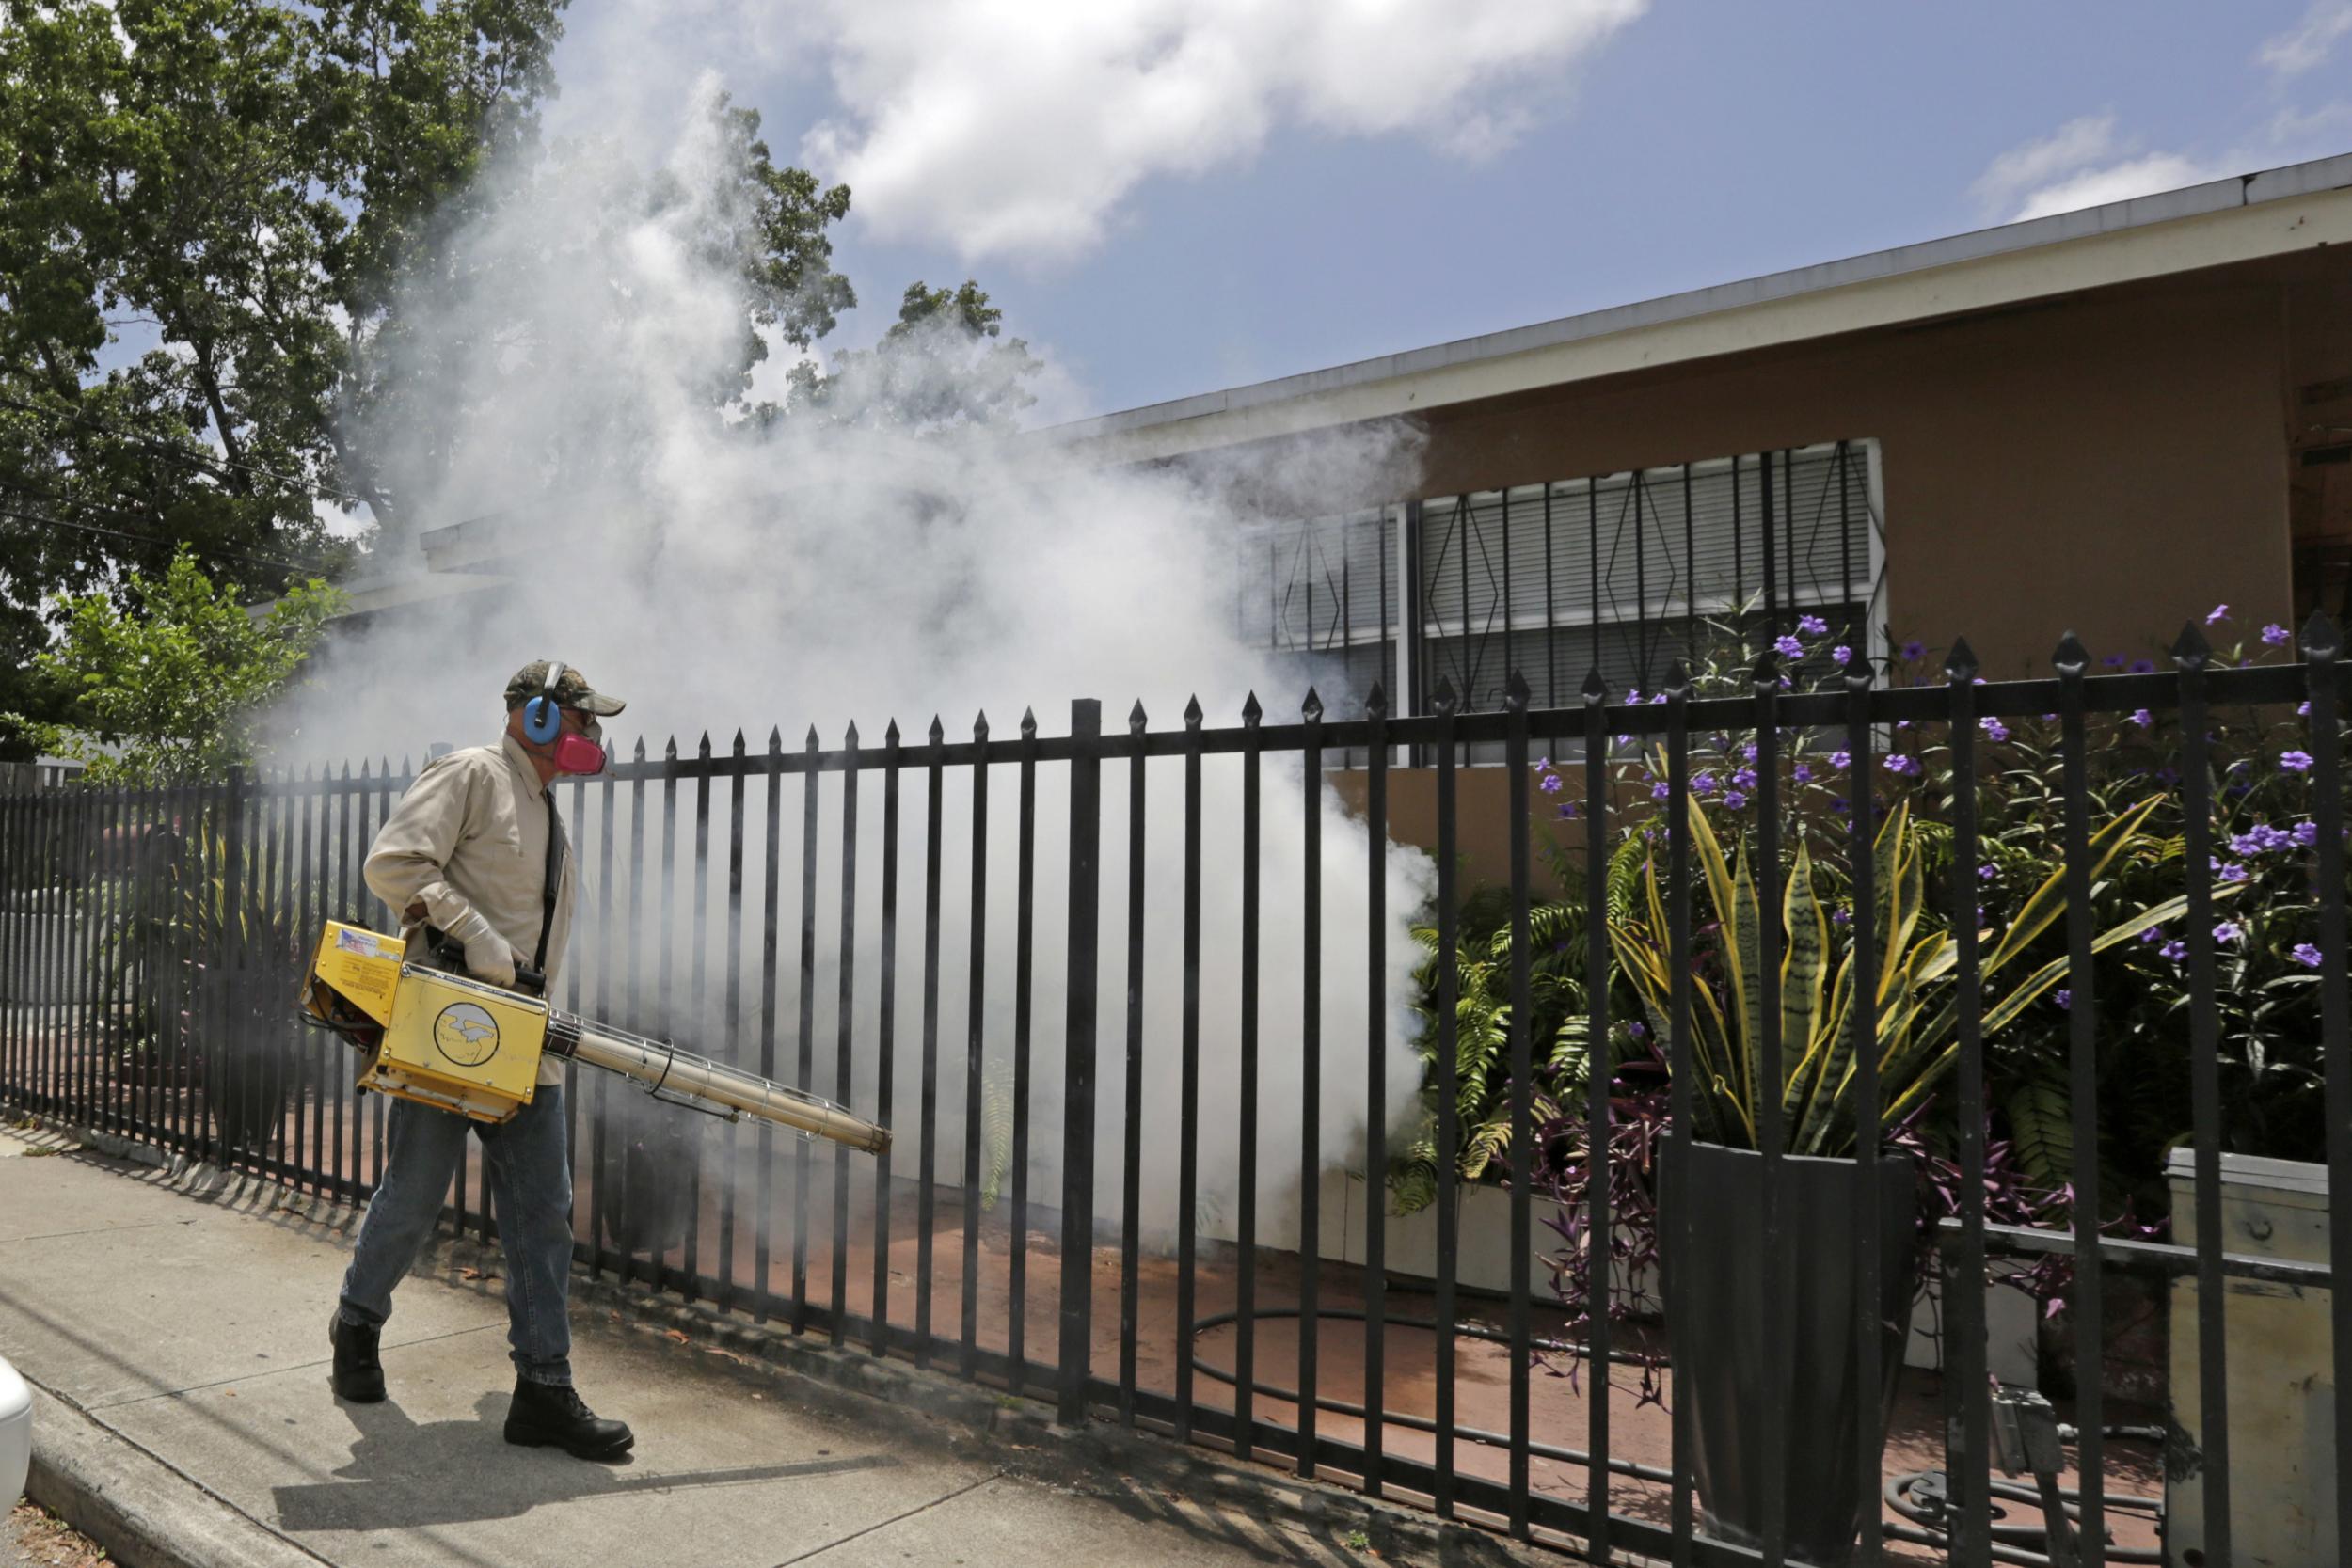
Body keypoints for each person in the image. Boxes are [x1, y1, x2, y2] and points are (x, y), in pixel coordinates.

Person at [328, 660, 633, 1461]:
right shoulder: (472, 773)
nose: (589, 735)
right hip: (447, 1024)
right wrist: (476, 933)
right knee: (417, 1192)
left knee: (543, 1211)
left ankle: (542, 1388)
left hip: (523, 1039)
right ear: (536, 717)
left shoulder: (547, 812)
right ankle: (357, 1321)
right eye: (579, 718)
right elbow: (392, 864)